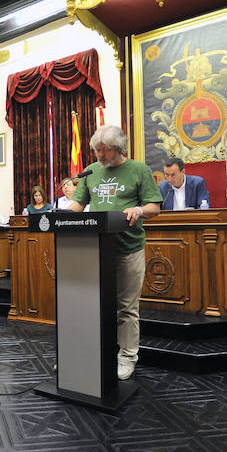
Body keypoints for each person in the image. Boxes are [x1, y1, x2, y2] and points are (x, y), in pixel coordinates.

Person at [68, 124, 162, 380]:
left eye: (103, 151)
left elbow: (155, 206)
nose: (99, 155)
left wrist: (140, 210)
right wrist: (62, 215)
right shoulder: (91, 172)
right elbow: (78, 203)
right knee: (92, 305)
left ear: (118, 148)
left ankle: (127, 357)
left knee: (126, 308)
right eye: (96, 150)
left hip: (128, 249)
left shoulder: (139, 170)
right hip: (94, 249)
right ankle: (90, 353)